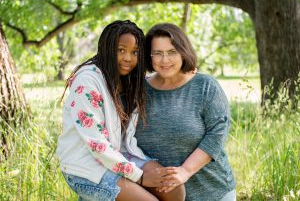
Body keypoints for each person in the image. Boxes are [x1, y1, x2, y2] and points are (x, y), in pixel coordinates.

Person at [56, 20, 185, 201]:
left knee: (173, 187)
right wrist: (139, 177)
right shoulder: (87, 81)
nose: (128, 58)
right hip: (85, 166)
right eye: (121, 50)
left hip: (119, 154)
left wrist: (185, 72)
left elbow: (160, 76)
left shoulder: (128, 79)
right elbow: (96, 144)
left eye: (135, 52)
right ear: (107, 48)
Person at [135, 23, 236, 201]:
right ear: (149, 57)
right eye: (157, 53)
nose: (164, 60)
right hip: (158, 196)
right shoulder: (138, 91)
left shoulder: (205, 85)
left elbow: (217, 133)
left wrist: (185, 171)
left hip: (212, 192)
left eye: (172, 52)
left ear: (183, 51)